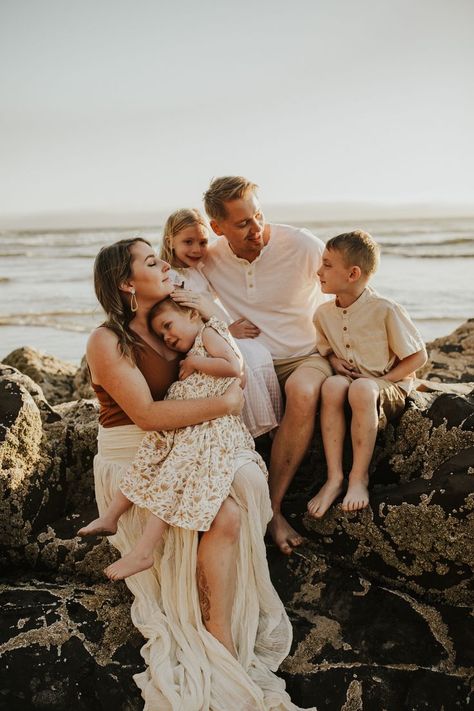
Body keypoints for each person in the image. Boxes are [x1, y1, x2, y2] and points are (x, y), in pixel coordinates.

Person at [85, 236, 314, 710]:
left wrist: (212, 315)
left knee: (228, 510)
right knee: (222, 513)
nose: (164, 263)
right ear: (127, 283)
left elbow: (233, 366)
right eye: (151, 261)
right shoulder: (107, 339)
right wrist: (227, 404)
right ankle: (211, 629)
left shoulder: (179, 319)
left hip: (188, 439)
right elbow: (147, 415)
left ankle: (220, 633)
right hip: (138, 454)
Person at [80, 298, 267, 590]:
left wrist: (194, 362)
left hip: (205, 427)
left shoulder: (209, 331)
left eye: (168, 326)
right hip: (186, 423)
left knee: (171, 475)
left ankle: (143, 551)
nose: (167, 337)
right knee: (149, 458)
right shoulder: (195, 337)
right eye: (162, 334)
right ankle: (111, 516)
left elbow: (233, 366)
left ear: (193, 314)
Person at [201, 176, 332, 554]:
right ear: (217, 227)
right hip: (251, 363)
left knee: (303, 392)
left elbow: (352, 286)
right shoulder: (210, 257)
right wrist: (224, 327)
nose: (256, 229)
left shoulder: (302, 245)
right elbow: (181, 295)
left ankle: (272, 510)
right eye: (242, 223)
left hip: (305, 356)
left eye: (258, 215)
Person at [307, 230, 427, 518]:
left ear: (353, 274)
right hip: (353, 383)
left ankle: (358, 478)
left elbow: (418, 356)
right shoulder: (323, 314)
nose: (318, 271)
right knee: (333, 386)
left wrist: (382, 382)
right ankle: (335, 477)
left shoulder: (385, 309)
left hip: (387, 386)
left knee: (361, 389)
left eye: (327, 264)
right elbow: (326, 350)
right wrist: (335, 361)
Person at [161, 208, 283, 438]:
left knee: (259, 352)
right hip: (206, 339)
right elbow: (190, 320)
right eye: (188, 242)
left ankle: (267, 429)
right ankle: (247, 428)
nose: (197, 249)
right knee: (246, 357)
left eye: (203, 242)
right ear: (170, 241)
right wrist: (227, 330)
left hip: (217, 331)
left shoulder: (198, 270)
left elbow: (216, 299)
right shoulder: (173, 279)